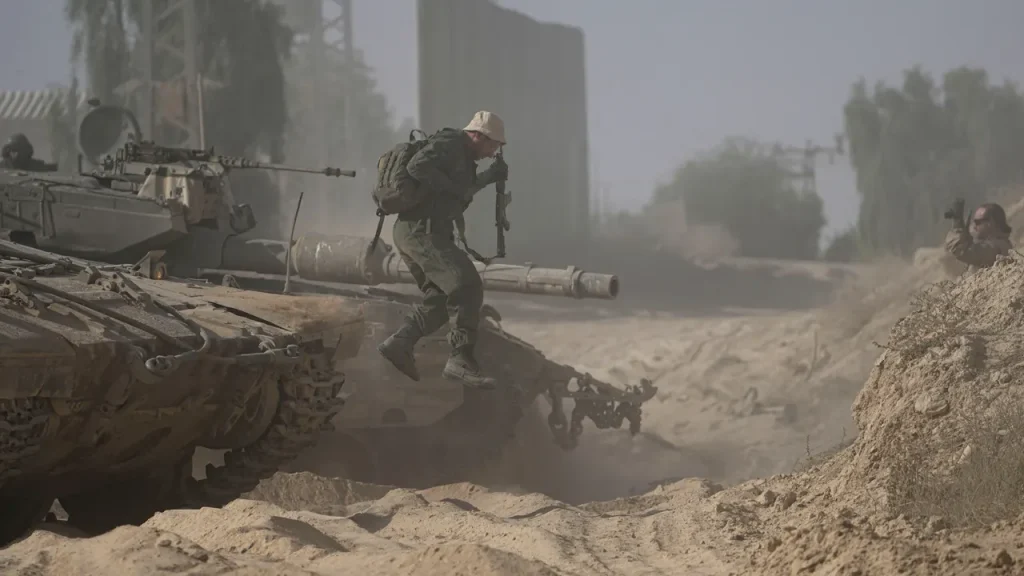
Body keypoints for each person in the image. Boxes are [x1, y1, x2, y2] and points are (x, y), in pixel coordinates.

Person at [376, 110, 509, 389]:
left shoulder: (464, 157)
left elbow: (462, 190)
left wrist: (489, 177)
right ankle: (460, 359)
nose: (492, 151)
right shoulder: (451, 142)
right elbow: (417, 168)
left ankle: (399, 343)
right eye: (492, 145)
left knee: (439, 301)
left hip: (421, 232)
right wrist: (453, 188)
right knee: (468, 285)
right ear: (478, 136)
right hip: (421, 231)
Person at [944, 199, 1013, 271]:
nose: (974, 226)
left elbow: (963, 251)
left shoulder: (997, 247)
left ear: (991, 223)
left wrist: (957, 225)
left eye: (978, 222)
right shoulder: (996, 243)